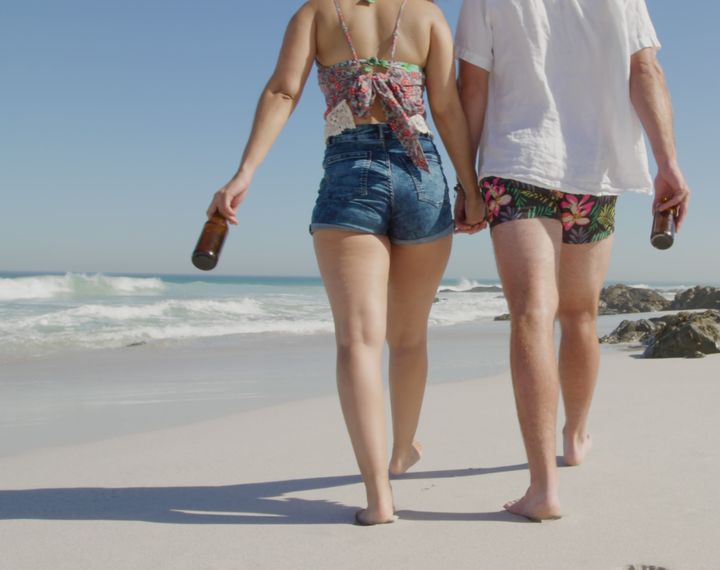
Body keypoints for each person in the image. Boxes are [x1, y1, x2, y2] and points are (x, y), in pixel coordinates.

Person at [207, 0, 487, 526]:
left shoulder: (316, 14)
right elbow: (446, 106)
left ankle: (379, 497)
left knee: (357, 341)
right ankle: (402, 449)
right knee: (409, 337)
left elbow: (282, 91)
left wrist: (243, 173)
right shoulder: (426, 15)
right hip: (422, 173)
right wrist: (469, 188)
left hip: (350, 171)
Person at [455, 0, 690, 521]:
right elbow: (644, 68)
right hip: (594, 167)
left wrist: (467, 182)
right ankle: (576, 436)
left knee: (531, 313)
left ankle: (542, 488)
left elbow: (472, 85)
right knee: (580, 313)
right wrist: (668, 163)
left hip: (515, 162)